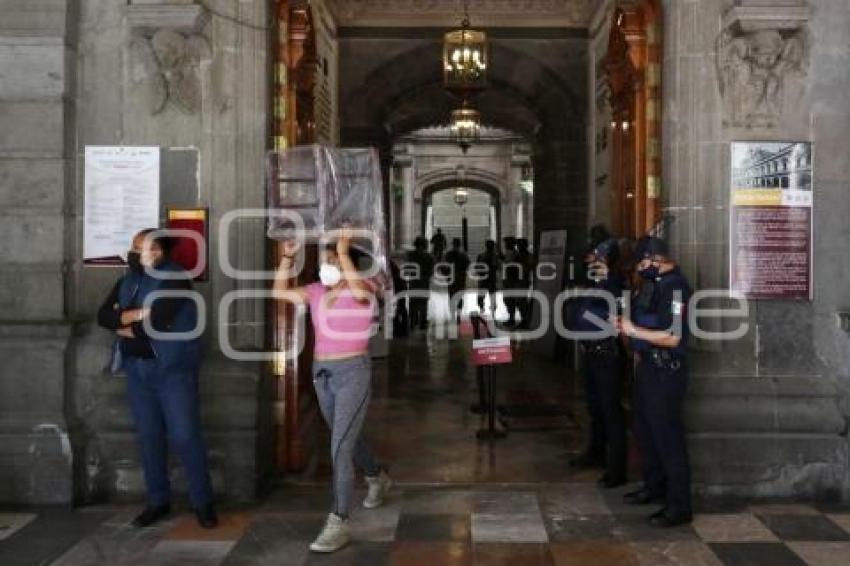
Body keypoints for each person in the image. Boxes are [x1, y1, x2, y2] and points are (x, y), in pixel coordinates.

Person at [273, 230, 392, 553]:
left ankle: (338, 521)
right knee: (345, 437)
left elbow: (357, 287)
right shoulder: (314, 291)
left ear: (348, 263)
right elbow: (279, 292)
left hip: (353, 372)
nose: (328, 265)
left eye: (334, 260)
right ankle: (376, 475)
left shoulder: (364, 288)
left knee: (339, 446)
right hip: (321, 373)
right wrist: (286, 257)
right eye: (325, 260)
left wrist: (343, 250)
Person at [97, 229, 217, 529]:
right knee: (148, 436)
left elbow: (157, 323)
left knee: (185, 436)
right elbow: (103, 317)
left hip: (172, 370)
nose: (134, 253)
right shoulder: (128, 280)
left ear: (160, 251)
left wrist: (125, 320)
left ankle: (203, 503)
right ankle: (157, 501)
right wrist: (134, 316)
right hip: (138, 369)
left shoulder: (174, 278)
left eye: (141, 248)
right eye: (133, 247)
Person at [617, 237, 693, 528]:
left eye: (641, 262)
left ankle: (678, 506)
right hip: (647, 367)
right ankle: (654, 487)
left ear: (655, 258)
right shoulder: (654, 283)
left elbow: (673, 337)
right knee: (646, 432)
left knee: (667, 437)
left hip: (666, 371)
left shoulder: (675, 288)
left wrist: (632, 330)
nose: (639, 268)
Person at [572, 239, 627, 488]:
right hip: (591, 351)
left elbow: (613, 317)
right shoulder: (596, 283)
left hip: (607, 353)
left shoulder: (613, 286)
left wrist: (584, 313)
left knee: (610, 411)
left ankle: (616, 469)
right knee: (595, 408)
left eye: (595, 258)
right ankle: (595, 452)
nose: (590, 261)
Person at [406, 236, 434, 330]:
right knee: (423, 302)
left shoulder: (410, 255)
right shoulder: (429, 256)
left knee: (413, 302)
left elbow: (407, 268)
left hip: (413, 282)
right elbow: (431, 271)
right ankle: (423, 322)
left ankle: (412, 321)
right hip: (424, 282)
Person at [444, 237, 470, 321]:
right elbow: (467, 265)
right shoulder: (464, 254)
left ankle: (452, 315)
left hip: (451, 278)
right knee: (459, 297)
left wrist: (446, 274)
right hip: (460, 278)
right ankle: (458, 315)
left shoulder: (448, 254)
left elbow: (444, 265)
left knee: (451, 296)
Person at [501, 236, 522, 327]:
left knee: (511, 301)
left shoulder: (514, 254)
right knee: (508, 300)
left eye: (507, 243)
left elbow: (510, 267)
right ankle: (511, 318)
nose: (505, 244)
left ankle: (512, 319)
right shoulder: (510, 253)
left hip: (512, 282)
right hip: (509, 281)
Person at [476, 239, 500, 316]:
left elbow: (477, 267)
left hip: (483, 278)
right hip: (491, 278)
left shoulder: (481, 255)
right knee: (492, 295)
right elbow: (497, 267)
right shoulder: (495, 256)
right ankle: (492, 310)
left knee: (481, 295)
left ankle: (482, 308)